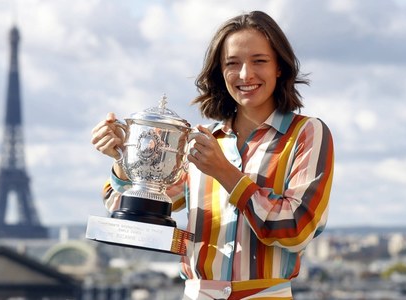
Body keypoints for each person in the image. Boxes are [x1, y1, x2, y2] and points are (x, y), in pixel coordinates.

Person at [91, 10, 334, 300]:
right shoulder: (199, 140)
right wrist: (123, 159)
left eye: (259, 61)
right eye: (233, 63)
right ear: (220, 72)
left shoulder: (306, 133)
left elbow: (296, 228)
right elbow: (139, 209)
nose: (246, 74)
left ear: (279, 67)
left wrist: (226, 172)